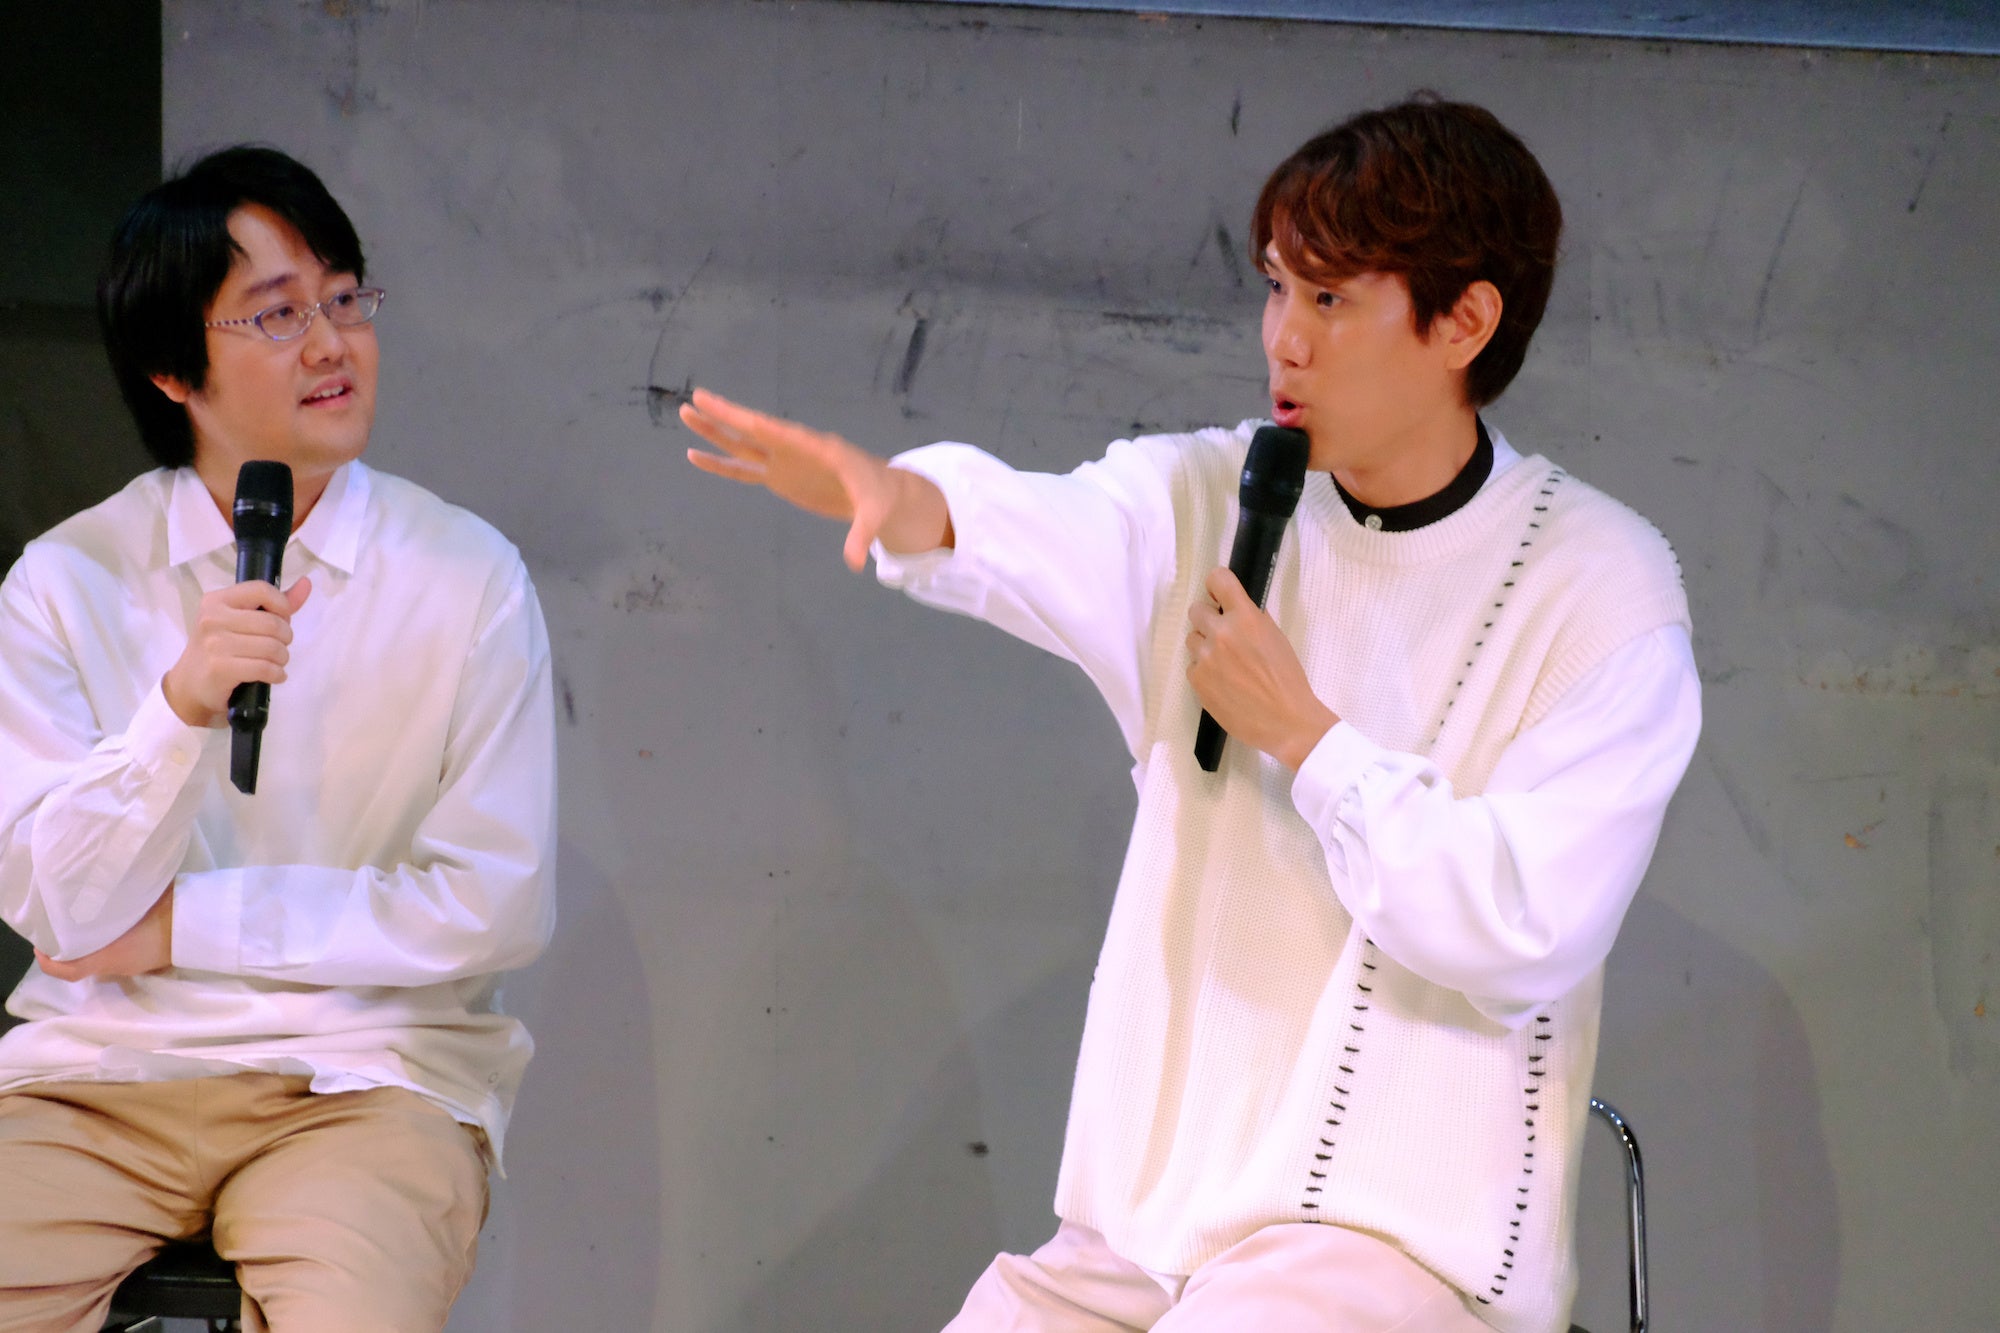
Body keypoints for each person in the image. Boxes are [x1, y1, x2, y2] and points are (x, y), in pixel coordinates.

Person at [681, 94, 1700, 1333]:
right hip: (1139, 1242)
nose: (1284, 340)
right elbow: (1048, 528)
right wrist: (900, 501)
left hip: (1389, 1257)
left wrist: (1309, 742)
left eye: (1328, 298)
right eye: (1274, 287)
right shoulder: (1216, 495)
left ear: (1463, 322)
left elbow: (1524, 924)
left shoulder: (1597, 585)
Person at [0, 146, 556, 1333]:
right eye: (276, 313)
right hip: (100, 1078)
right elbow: (55, 907)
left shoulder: (467, 576)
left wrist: (183, 928)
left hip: (366, 1079)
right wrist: (177, 708)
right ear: (171, 368)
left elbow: (494, 902)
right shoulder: (64, 580)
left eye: (344, 299)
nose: (330, 343)